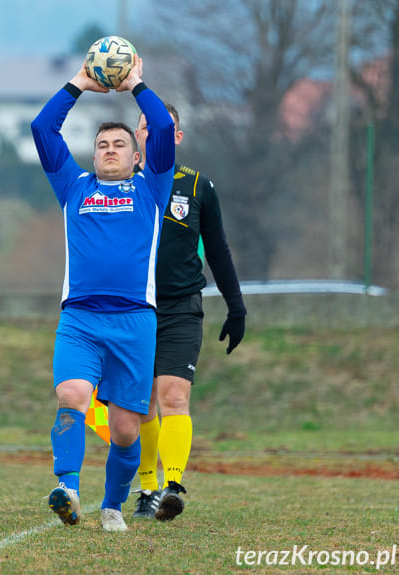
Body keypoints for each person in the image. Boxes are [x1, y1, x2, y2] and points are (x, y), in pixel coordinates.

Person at [31, 55, 175, 533]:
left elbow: (159, 122)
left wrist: (134, 83)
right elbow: (41, 128)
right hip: (80, 320)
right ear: (93, 156)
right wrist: (78, 85)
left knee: (126, 430)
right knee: (71, 393)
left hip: (135, 322)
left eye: (120, 144)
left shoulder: (152, 187)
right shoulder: (74, 188)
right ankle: (67, 487)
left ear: (137, 155)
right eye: (102, 145)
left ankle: (113, 505)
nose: (111, 150)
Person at [131, 104, 246, 521]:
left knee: (174, 397)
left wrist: (236, 306)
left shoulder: (198, 186)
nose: (153, 133)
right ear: (137, 137)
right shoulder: (123, 185)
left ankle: (172, 486)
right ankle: (146, 489)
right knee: (140, 407)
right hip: (133, 310)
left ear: (176, 137)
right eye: (144, 127)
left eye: (162, 128)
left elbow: (218, 248)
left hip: (182, 308)